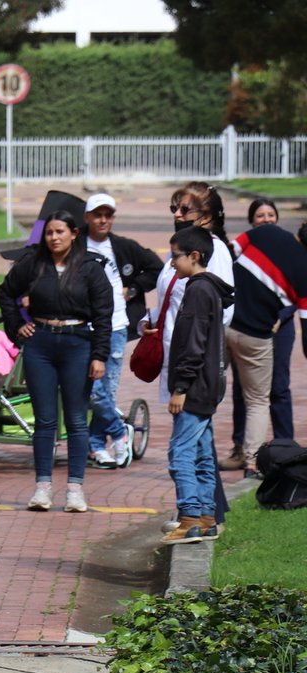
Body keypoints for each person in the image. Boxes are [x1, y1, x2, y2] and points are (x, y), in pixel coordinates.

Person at [0, 210, 113, 513]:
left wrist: (99, 356)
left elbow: (103, 316)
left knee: (76, 419)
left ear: (74, 233)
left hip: (78, 345)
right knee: (45, 420)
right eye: (49, 233)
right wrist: (16, 328)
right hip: (41, 345)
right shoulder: (33, 263)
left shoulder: (90, 267)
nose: (54, 238)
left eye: (60, 232)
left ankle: (75, 489)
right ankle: (42, 488)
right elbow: (6, 293)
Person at [142, 182, 235, 532]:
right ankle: (205, 513)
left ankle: (193, 515)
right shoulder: (180, 253)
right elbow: (166, 300)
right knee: (197, 444)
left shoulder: (212, 257)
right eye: (174, 209)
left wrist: (185, 375)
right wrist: (150, 324)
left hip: (192, 367)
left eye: (185, 209)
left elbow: (217, 316)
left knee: (186, 448)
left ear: (207, 216)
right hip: (181, 357)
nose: (178, 215)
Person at [161, 227, 234, 545]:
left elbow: (193, 344)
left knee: (181, 453)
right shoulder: (210, 290)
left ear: (194, 256)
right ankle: (206, 517)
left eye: (174, 256)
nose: (171, 263)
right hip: (209, 385)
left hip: (195, 387)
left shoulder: (197, 291)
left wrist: (180, 388)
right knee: (203, 454)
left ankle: (189, 517)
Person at [82, 193, 163, 469]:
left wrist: (134, 288)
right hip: (81, 326)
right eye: (97, 214)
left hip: (115, 324)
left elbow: (156, 267)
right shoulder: (74, 243)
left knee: (104, 389)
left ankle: (97, 445)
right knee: (91, 390)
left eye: (108, 215)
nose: (103, 220)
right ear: (87, 217)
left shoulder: (124, 247)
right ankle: (117, 433)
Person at [228, 215, 307, 477]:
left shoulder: (264, 233)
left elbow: (226, 255)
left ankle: (195, 453)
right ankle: (251, 463)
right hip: (255, 336)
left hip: (222, 323)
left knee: (207, 392)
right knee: (258, 401)